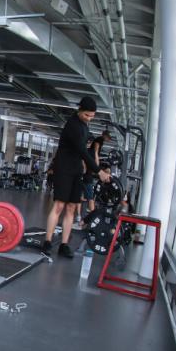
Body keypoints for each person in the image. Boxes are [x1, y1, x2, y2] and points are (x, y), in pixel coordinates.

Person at [43, 97, 110, 258]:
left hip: (76, 170)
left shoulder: (84, 125)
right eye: (87, 115)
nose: (89, 118)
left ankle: (64, 245)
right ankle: (47, 241)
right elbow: (82, 151)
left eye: (92, 116)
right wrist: (98, 170)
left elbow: (83, 153)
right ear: (79, 110)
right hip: (64, 169)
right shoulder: (72, 125)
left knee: (72, 208)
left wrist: (89, 169)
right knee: (59, 205)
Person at [76, 130, 112, 226]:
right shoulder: (97, 143)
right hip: (87, 177)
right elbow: (94, 158)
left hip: (84, 176)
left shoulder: (86, 151)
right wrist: (96, 161)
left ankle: (81, 217)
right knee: (89, 198)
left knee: (82, 197)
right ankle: (91, 218)